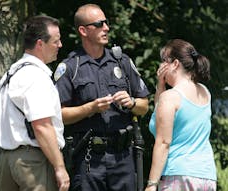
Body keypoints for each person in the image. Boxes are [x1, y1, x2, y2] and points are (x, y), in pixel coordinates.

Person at [54, 3, 150, 191]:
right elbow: (58, 115)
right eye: (99, 24)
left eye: (106, 23)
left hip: (124, 157)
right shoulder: (70, 67)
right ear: (83, 30)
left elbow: (144, 105)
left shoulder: (122, 61)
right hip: (89, 158)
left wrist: (131, 103)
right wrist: (90, 108)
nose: (106, 28)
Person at [0, 15, 70, 191]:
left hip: (7, 161)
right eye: (56, 41)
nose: (60, 45)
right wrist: (60, 167)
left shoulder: (10, 74)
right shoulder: (35, 77)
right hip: (33, 162)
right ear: (40, 44)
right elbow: (42, 126)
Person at [145, 39, 217, 191]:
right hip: (207, 176)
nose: (161, 66)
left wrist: (152, 184)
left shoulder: (171, 97)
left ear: (175, 64)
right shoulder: (204, 92)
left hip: (178, 175)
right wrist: (161, 86)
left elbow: (164, 142)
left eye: (164, 61)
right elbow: (160, 115)